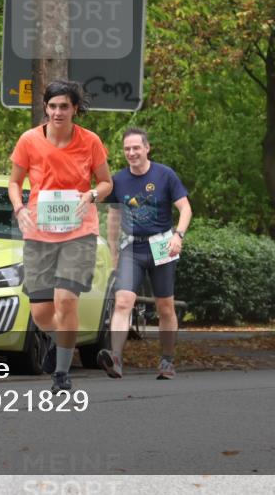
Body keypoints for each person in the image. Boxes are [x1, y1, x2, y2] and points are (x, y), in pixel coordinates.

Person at [9, 80, 112, 392]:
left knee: (65, 300)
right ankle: (58, 342)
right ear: (45, 107)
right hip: (39, 231)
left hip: (79, 231)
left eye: (64, 106)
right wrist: (19, 209)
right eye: (52, 106)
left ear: (75, 109)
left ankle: (61, 376)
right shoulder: (28, 140)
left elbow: (106, 182)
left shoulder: (90, 141)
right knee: (41, 313)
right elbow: (14, 182)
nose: (57, 112)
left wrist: (91, 195)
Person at [99, 127, 192, 380]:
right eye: (127, 149)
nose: (131, 153)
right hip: (132, 247)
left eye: (136, 148)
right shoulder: (118, 180)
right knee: (122, 301)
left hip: (162, 245)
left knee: (165, 307)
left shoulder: (165, 175)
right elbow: (114, 217)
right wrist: (112, 249)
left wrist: (178, 235)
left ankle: (167, 360)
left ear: (147, 148)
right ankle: (116, 358)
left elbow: (185, 209)